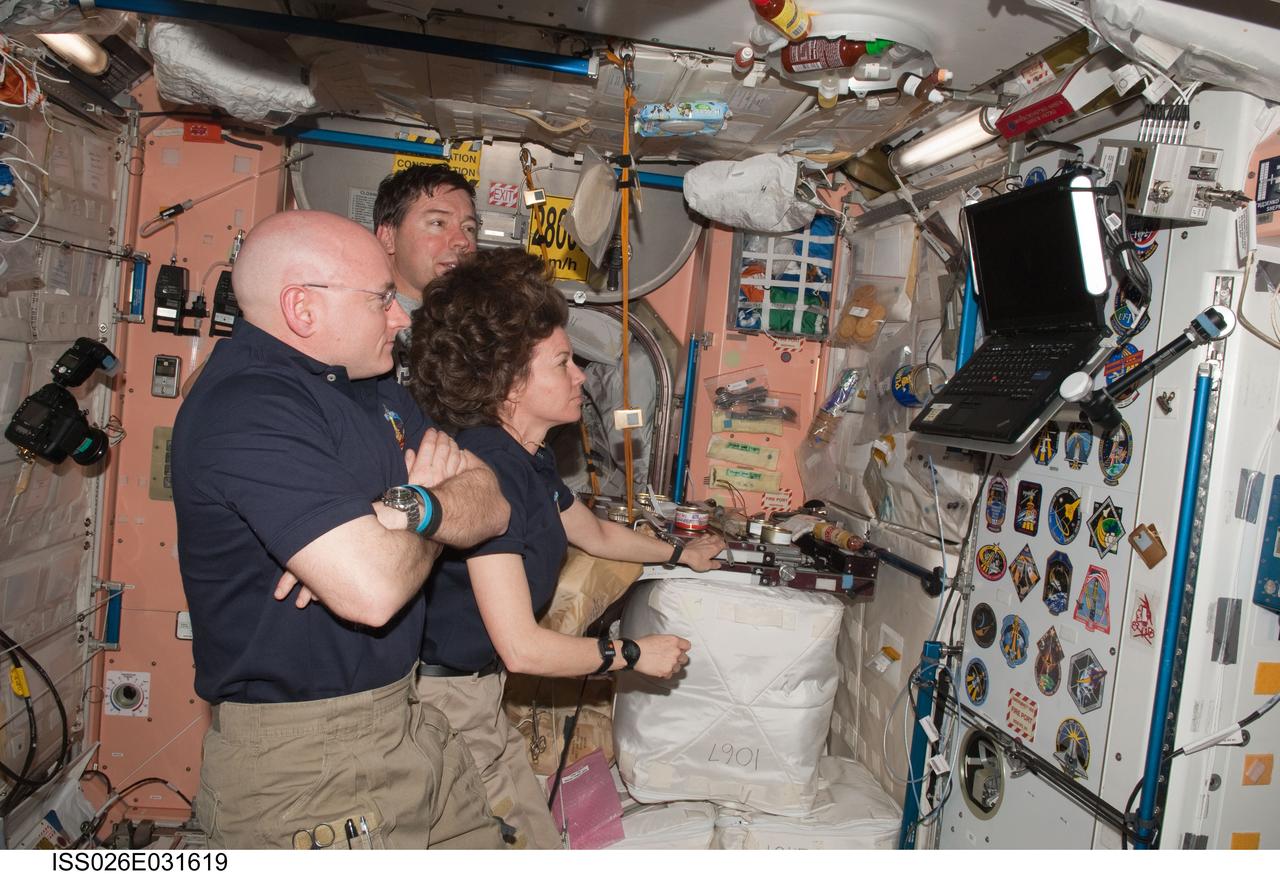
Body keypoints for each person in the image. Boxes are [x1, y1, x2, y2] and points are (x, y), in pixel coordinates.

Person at [171, 210, 509, 850]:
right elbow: (373, 590)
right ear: (302, 308)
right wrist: (432, 502)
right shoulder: (249, 406)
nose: (401, 317)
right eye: (382, 299)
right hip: (310, 763)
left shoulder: (371, 391)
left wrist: (404, 513)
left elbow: (492, 501)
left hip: (407, 721)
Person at [406, 248, 726, 849]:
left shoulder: (527, 458)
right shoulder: (488, 469)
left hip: (477, 691)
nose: (581, 375)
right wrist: (631, 653)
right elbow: (522, 648)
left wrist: (681, 554)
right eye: (562, 362)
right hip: (445, 704)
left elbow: (596, 533)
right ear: (508, 381)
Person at [180, 164, 477, 398]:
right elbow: (201, 389)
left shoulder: (466, 329)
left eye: (469, 228)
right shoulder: (336, 313)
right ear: (388, 236)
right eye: (438, 223)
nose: (462, 240)